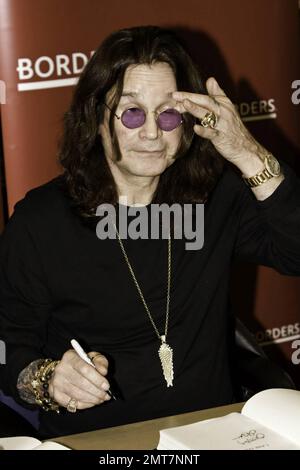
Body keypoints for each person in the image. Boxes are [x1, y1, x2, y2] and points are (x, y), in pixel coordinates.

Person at [0, 25, 299, 439]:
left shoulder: (214, 197)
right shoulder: (41, 222)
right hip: (99, 440)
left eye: (169, 113)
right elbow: (7, 349)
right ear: (96, 119)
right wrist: (48, 379)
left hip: (214, 434)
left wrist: (246, 151)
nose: (153, 132)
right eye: (132, 112)